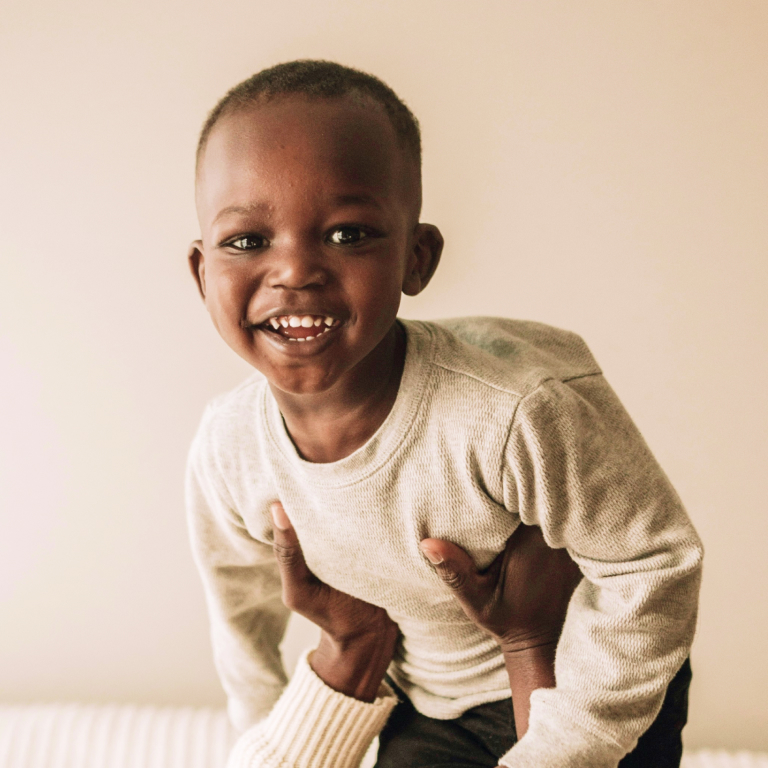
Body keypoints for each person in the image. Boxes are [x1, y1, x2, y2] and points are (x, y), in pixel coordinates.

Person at [185, 59, 703, 767]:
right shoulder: (228, 446)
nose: (295, 269)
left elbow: (652, 561)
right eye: (247, 241)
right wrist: (263, 730)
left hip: (593, 684)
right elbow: (238, 611)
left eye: (348, 234)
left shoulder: (512, 410)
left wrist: (566, 744)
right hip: (432, 701)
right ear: (201, 271)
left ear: (416, 259)